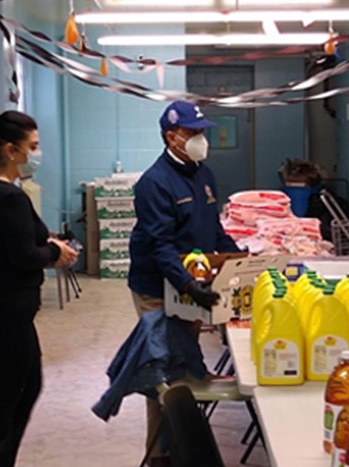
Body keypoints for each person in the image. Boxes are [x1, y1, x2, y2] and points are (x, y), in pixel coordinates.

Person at [127, 100, 241, 465]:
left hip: (190, 283)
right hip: (156, 287)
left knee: (186, 366)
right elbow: (159, 245)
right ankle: (160, 456)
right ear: (171, 137)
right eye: (192, 133)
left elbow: (214, 230)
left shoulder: (204, 174)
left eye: (202, 132)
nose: (200, 139)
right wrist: (187, 286)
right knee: (165, 372)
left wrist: (239, 260)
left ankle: (181, 446)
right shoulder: (153, 183)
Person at [0, 111, 78, 467]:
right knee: (6, 398)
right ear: (11, 150)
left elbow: (18, 243)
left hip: (5, 311)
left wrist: (49, 243)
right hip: (4, 313)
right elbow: (25, 256)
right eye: (34, 147)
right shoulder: (6, 197)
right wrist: (55, 252)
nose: (37, 154)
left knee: (27, 388)